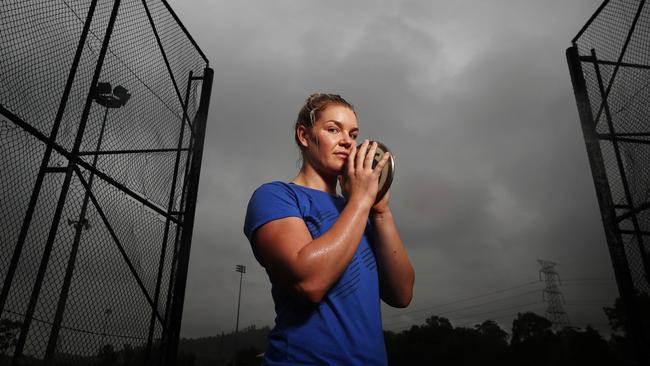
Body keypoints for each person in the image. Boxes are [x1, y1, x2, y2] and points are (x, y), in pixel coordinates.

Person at [243, 93, 414, 365]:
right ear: (304, 136)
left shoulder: (358, 212)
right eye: (333, 129)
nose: (347, 141)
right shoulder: (276, 196)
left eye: (353, 133)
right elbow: (308, 282)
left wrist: (380, 212)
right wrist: (360, 201)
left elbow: (402, 294)